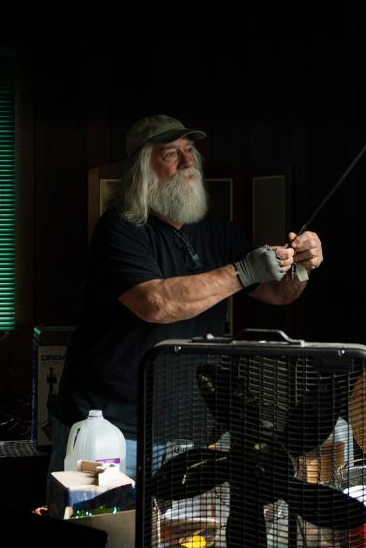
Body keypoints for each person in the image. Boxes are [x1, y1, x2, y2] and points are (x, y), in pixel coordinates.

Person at [50, 114, 324, 477]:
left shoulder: (214, 230)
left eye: (190, 150)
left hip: (187, 436)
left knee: (180, 536)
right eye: (171, 154)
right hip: (107, 434)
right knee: (97, 532)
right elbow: (157, 303)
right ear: (142, 170)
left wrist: (301, 268)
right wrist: (243, 271)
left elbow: (276, 292)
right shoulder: (119, 228)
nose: (189, 162)